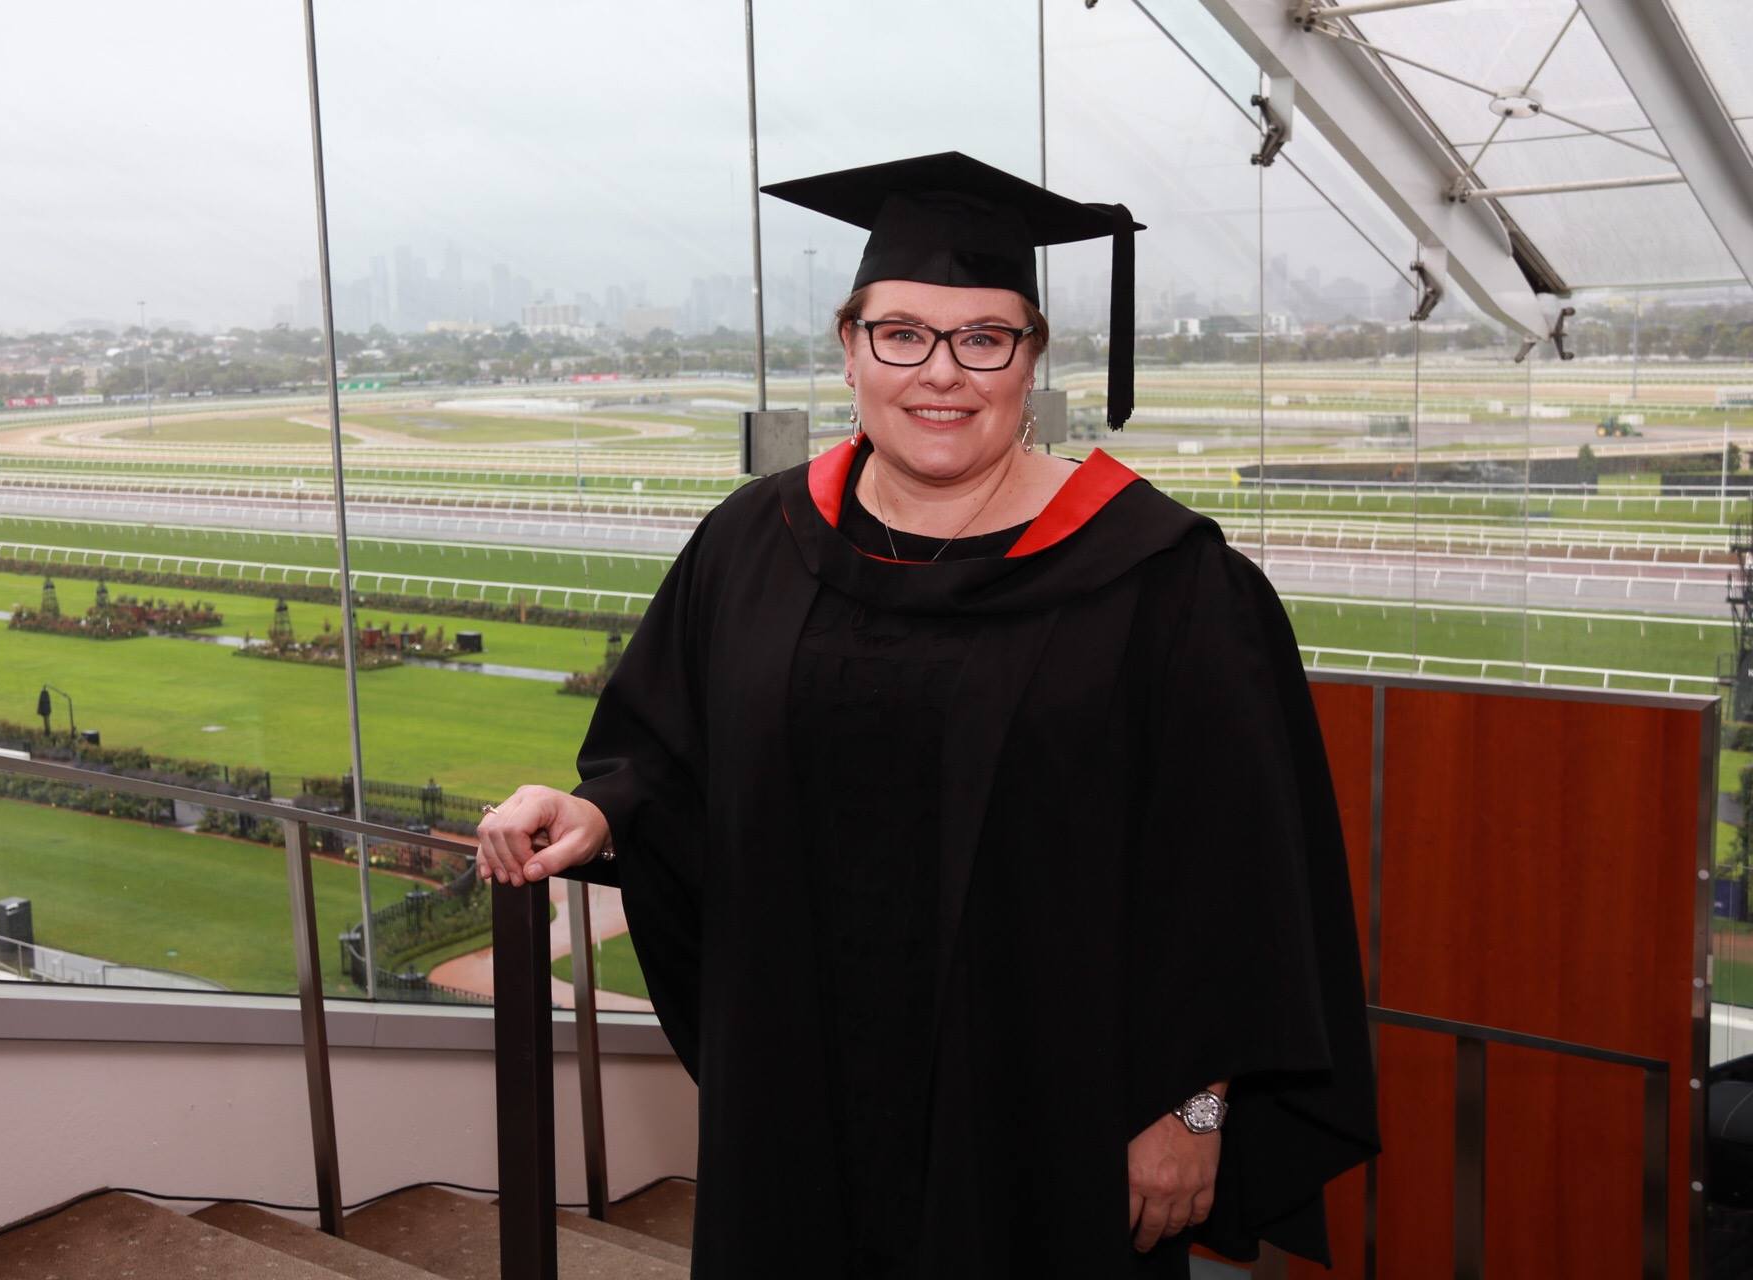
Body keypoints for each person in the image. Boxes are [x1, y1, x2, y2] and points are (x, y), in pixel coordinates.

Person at [478, 152, 1378, 1279]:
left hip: (1044, 1122)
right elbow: (672, 751)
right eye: (903, 332)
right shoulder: (755, 543)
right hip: (800, 1104)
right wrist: (597, 809)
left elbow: (1235, 871)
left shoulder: (1165, 579)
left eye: (984, 337)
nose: (941, 372)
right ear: (850, 345)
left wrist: (1189, 1110)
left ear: (1030, 357)